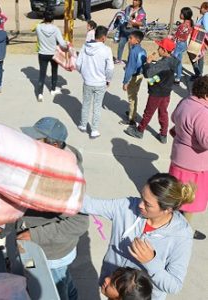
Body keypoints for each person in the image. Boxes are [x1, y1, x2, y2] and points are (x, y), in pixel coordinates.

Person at [81, 173, 195, 300]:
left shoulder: (181, 236)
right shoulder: (127, 207)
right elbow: (89, 204)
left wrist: (150, 261)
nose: (140, 205)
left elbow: (174, 285)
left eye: (148, 204)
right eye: (142, 196)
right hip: (114, 290)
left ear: (167, 209)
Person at [18, 117, 89, 300]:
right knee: (66, 283)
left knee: (55, 291)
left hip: (51, 253)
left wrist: (34, 235)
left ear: (55, 145)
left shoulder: (64, 179)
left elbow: (79, 223)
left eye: (37, 140)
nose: (30, 143)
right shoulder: (47, 159)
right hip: (48, 248)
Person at [169, 76, 208, 241]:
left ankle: (169, 224)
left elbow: (173, 118)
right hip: (194, 165)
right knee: (189, 203)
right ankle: (184, 232)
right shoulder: (203, 112)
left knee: (175, 197)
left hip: (178, 159)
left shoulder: (185, 102)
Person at [125, 37, 179, 144]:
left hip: (157, 92)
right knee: (163, 113)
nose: (158, 49)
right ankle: (163, 134)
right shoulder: (172, 60)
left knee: (148, 112)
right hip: (166, 91)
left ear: (164, 50)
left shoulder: (163, 63)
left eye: (160, 47)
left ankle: (140, 131)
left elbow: (148, 74)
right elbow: (162, 69)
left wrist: (148, 63)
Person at [76, 26, 114, 139]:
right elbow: (110, 68)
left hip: (87, 81)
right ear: (103, 38)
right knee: (97, 106)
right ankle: (94, 130)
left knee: (86, 103)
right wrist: (108, 79)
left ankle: (83, 125)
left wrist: (83, 74)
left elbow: (78, 64)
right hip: (100, 83)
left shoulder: (85, 47)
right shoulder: (106, 50)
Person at [35, 10, 68, 102]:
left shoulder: (38, 27)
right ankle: (53, 89)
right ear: (53, 19)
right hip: (53, 53)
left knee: (42, 73)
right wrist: (67, 45)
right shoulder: (55, 29)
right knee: (54, 71)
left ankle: (40, 94)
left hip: (42, 53)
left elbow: (38, 27)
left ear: (44, 18)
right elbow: (61, 43)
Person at [120, 30, 146, 126]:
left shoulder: (133, 51)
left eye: (131, 38)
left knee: (132, 98)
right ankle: (132, 112)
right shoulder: (143, 51)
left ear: (137, 40)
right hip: (140, 76)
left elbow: (130, 68)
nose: (129, 40)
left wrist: (125, 81)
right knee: (134, 95)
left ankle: (131, 119)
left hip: (134, 77)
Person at [115, 0, 146, 65]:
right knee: (121, 44)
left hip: (133, 32)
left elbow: (142, 23)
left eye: (136, 0)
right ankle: (118, 59)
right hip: (125, 31)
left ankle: (130, 62)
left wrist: (133, 23)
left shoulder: (141, 12)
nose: (134, 2)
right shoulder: (128, 8)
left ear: (139, 2)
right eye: (133, 0)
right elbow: (123, 14)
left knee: (131, 48)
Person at [172, 7, 193, 84]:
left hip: (179, 44)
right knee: (179, 61)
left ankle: (175, 76)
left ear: (185, 15)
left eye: (181, 13)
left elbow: (177, 35)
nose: (180, 14)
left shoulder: (183, 25)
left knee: (174, 60)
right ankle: (178, 76)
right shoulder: (189, 23)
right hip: (183, 44)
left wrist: (171, 38)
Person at [191, 2, 208, 78]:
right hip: (202, 39)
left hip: (200, 39)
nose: (200, 9)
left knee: (192, 55)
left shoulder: (206, 15)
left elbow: (206, 28)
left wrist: (196, 26)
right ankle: (199, 74)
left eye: (201, 8)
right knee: (200, 57)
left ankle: (198, 73)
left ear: (205, 8)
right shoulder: (205, 15)